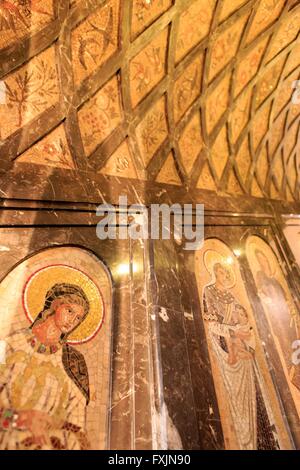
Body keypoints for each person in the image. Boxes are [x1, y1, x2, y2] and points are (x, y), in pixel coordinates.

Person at [0, 283, 91, 450]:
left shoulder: (74, 362)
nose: (72, 321)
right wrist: (18, 418)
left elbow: (77, 427)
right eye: (69, 311)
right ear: (55, 305)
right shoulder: (10, 344)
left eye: (78, 317)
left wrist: (53, 424)